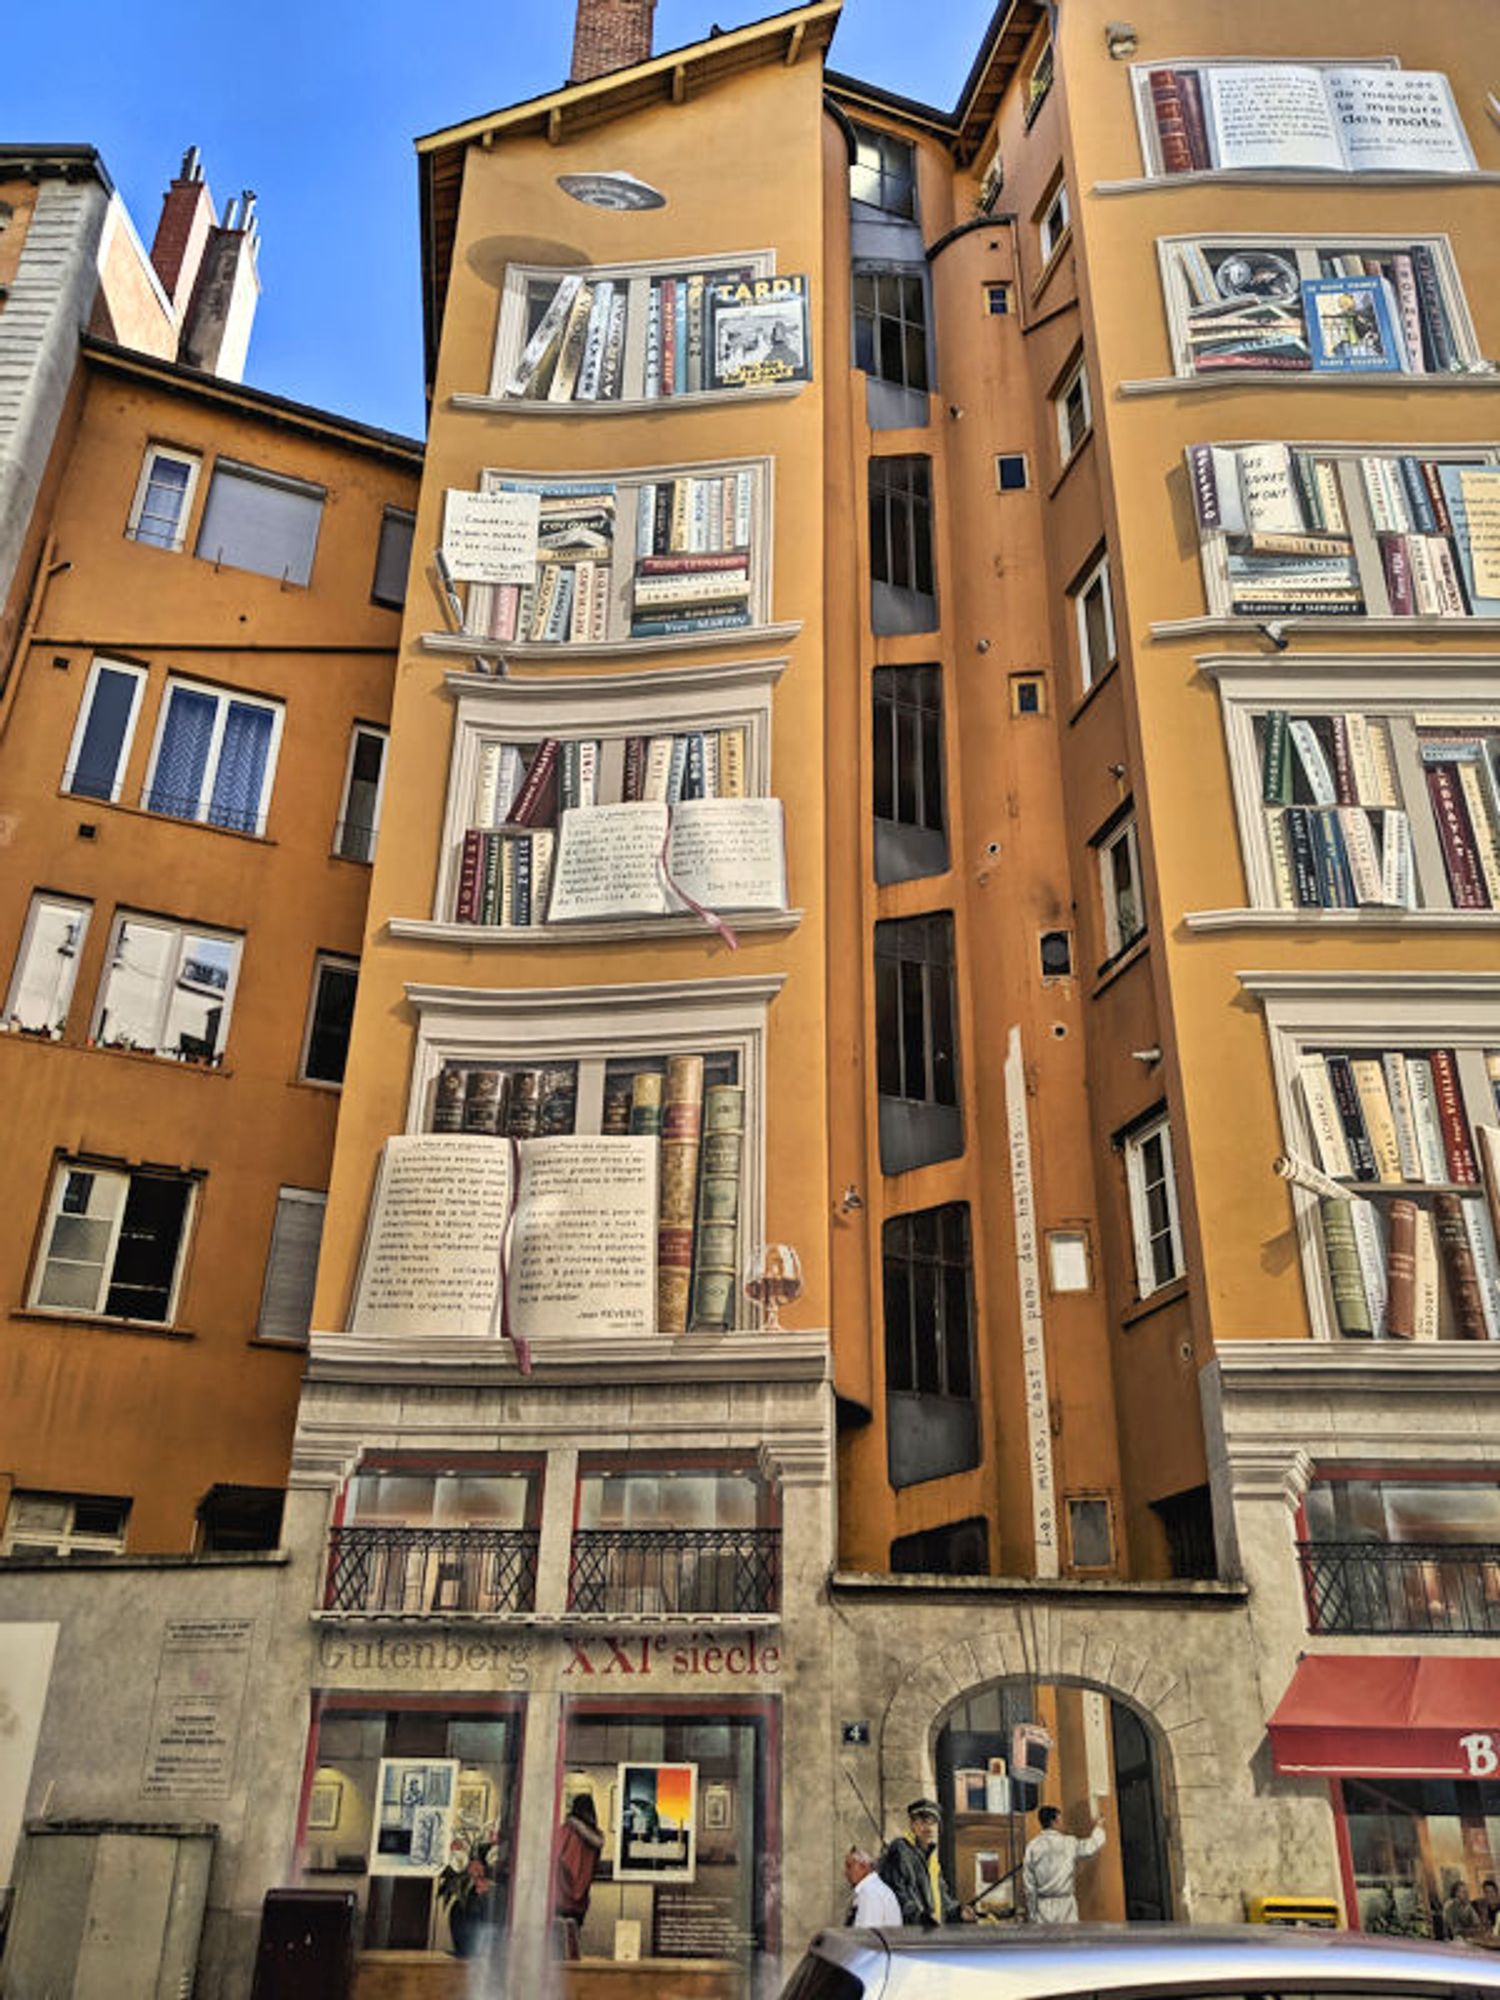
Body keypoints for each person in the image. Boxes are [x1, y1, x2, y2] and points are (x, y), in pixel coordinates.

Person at [879, 1799, 972, 1926]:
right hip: (909, 1934)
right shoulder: (900, 1850)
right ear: (912, 1825)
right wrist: (920, 1917)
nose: (928, 1828)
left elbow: (942, 1897)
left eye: (933, 1823)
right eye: (922, 1822)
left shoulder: (932, 1858)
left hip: (930, 1933)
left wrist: (957, 1912)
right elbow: (898, 1895)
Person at [1022, 1803, 1106, 1924]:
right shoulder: (1069, 1842)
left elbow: (1029, 1885)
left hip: (1043, 1907)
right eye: (1060, 1819)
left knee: (1048, 1940)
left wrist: (1033, 1913)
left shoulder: (1032, 1846)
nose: (1062, 1823)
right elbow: (1091, 1846)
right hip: (1066, 1905)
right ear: (1055, 1821)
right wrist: (1099, 1826)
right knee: (1068, 1940)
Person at [554, 1793, 605, 1957]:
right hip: (582, 1897)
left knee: (558, 1944)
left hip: (561, 1894)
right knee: (575, 1937)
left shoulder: (567, 1831)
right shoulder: (595, 1836)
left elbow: (555, 1855)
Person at [845, 1847, 903, 1927]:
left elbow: (865, 1934)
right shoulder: (876, 1888)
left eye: (849, 1866)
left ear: (864, 1867)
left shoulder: (870, 1892)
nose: (846, 1872)